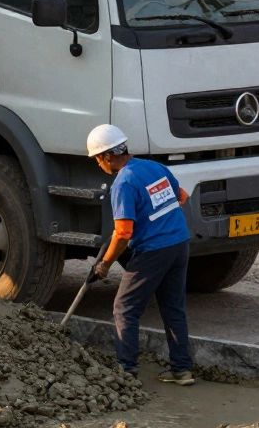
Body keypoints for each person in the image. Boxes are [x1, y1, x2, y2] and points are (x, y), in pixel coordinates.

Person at [87, 123, 194, 385]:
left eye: (98, 159)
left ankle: (126, 370)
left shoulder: (123, 182)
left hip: (154, 250)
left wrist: (104, 264)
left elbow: (123, 233)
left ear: (107, 157)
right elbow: (181, 197)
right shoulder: (154, 167)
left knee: (125, 308)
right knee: (173, 308)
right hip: (179, 244)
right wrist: (156, 220)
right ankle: (182, 370)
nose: (99, 164)